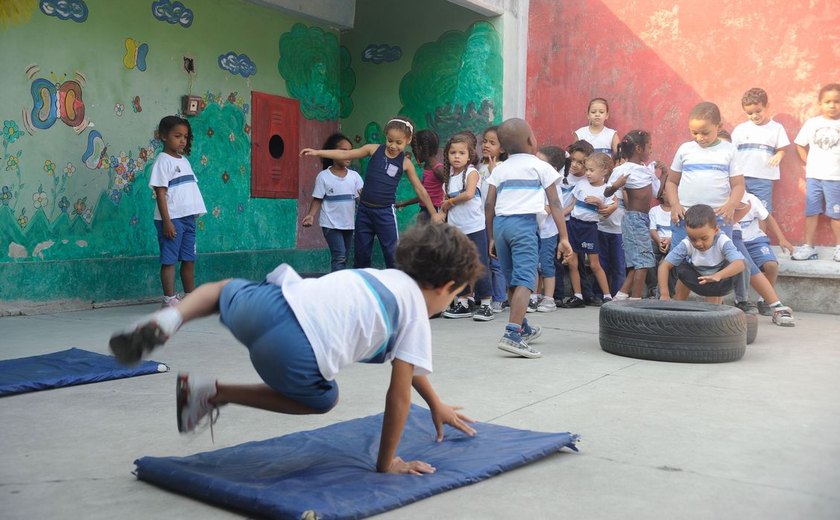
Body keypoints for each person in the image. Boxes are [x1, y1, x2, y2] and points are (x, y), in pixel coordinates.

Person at [109, 223, 481, 475]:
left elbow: (412, 369)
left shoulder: (383, 277)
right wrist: (388, 462)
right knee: (323, 398)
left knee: (221, 290)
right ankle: (213, 393)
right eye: (457, 295)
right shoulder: (416, 310)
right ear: (447, 286)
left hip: (273, 304)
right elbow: (398, 395)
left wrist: (435, 403)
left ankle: (167, 321)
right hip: (294, 352)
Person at [665, 102, 794, 326]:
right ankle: (676, 309)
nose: (700, 137)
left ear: (719, 125)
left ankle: (775, 306)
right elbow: (671, 181)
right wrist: (675, 205)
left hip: (718, 220)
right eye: (694, 132)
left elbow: (738, 185)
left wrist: (731, 205)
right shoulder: (685, 150)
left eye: (705, 132)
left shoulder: (728, 150)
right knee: (684, 263)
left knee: (740, 261)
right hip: (685, 219)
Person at [300, 117, 443, 268]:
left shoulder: (405, 163)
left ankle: (395, 287)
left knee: (392, 253)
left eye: (398, 142)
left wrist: (434, 213)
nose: (393, 145)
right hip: (364, 212)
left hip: (385, 213)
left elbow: (420, 190)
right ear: (386, 136)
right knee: (361, 254)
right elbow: (345, 155)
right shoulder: (373, 149)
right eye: (390, 140)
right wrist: (317, 152)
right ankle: (363, 286)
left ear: (408, 140)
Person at [485, 118, 573, 358]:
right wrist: (563, 237)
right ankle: (512, 334)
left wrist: (492, 237)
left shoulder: (500, 168)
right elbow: (555, 203)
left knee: (514, 279)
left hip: (501, 225)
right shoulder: (540, 167)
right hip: (523, 225)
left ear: (502, 147)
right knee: (526, 279)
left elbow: (489, 204)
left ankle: (521, 325)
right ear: (531, 141)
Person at [149, 115, 207, 307]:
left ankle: (190, 295)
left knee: (189, 259)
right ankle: (169, 299)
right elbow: (160, 192)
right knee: (169, 260)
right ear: (164, 136)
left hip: (188, 220)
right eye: (177, 136)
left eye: (185, 136)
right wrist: (167, 222)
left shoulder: (184, 161)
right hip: (172, 220)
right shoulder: (163, 161)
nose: (182, 140)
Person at [438, 133, 494, 321]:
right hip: (456, 229)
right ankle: (463, 302)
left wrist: (450, 202)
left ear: (469, 156)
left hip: (475, 227)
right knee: (460, 266)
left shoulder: (471, 172)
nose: (456, 156)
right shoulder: (448, 179)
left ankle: (486, 303)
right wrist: (441, 214)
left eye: (461, 153)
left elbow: (469, 194)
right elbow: (444, 206)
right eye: (453, 153)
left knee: (479, 264)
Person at [606, 130, 658, 299]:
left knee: (639, 261)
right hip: (633, 218)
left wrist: (663, 175)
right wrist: (616, 185)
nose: (651, 150)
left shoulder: (645, 169)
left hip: (643, 219)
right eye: (649, 147)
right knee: (643, 262)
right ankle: (635, 300)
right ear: (638, 148)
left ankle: (621, 296)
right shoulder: (623, 169)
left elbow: (658, 193)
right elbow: (606, 192)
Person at [658, 204, 745, 304]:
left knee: (743, 262)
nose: (698, 243)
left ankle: (742, 301)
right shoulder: (687, 243)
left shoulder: (723, 240)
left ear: (715, 230)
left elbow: (739, 264)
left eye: (704, 238)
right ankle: (667, 302)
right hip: (698, 281)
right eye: (693, 239)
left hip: (719, 282)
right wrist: (664, 294)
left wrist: (718, 275)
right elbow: (664, 266)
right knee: (672, 263)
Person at [792, 83, 840, 262]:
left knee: (837, 214)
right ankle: (808, 247)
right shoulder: (813, 123)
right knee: (811, 212)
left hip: (836, 178)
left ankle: (839, 247)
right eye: (828, 101)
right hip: (814, 178)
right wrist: (808, 162)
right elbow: (799, 144)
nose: (832, 105)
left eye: (837, 101)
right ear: (820, 104)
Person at [302, 133, 363, 272]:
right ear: (332, 153)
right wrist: (311, 215)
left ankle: (337, 284)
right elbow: (318, 198)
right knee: (340, 256)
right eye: (343, 151)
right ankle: (336, 289)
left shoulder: (354, 176)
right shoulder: (324, 176)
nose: (348, 155)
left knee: (344, 257)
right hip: (330, 224)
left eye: (351, 151)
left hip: (348, 225)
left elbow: (361, 198)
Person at [731, 87, 791, 213]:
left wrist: (779, 156)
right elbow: (731, 151)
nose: (754, 116)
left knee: (762, 212)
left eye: (758, 111)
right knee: (740, 209)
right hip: (741, 178)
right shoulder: (740, 129)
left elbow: (782, 149)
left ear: (767, 106)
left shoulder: (776, 128)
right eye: (749, 113)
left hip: (763, 178)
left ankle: (761, 233)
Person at [567, 153, 615, 304]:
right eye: (587, 169)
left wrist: (599, 202)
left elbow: (605, 213)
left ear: (604, 172)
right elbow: (572, 206)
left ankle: (607, 296)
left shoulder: (607, 190)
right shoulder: (581, 184)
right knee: (572, 262)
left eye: (591, 170)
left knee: (594, 264)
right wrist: (558, 217)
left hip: (590, 228)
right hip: (574, 225)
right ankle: (578, 296)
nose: (587, 173)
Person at [737, 192, 795, 315]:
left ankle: (764, 300)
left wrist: (782, 239)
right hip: (735, 241)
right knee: (743, 266)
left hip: (755, 241)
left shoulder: (751, 199)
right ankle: (741, 301)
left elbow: (767, 217)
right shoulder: (721, 200)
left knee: (771, 265)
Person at [557, 140, 594, 308]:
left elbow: (574, 204)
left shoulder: (587, 180)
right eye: (573, 160)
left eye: (581, 162)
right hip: (556, 223)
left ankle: (587, 295)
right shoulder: (560, 174)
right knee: (557, 259)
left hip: (572, 223)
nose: (575, 165)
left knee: (578, 260)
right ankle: (557, 296)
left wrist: (560, 214)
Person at [478, 126, 509, 312]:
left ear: (503, 149)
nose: (486, 145)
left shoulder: (502, 168)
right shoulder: (480, 168)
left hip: (496, 219)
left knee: (496, 261)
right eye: (484, 141)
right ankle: (483, 296)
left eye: (492, 142)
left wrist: (493, 170)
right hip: (480, 219)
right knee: (484, 261)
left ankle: (500, 298)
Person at [532, 145, 565, 312]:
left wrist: (535, 210)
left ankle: (549, 299)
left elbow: (553, 207)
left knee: (546, 265)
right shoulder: (534, 182)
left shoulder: (554, 184)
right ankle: (534, 296)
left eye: (541, 162)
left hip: (547, 233)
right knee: (533, 264)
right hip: (534, 231)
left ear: (553, 168)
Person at [394, 129, 445, 223]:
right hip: (425, 210)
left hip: (435, 212)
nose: (413, 152)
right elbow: (424, 195)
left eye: (414, 149)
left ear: (420, 149)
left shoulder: (438, 170)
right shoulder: (427, 168)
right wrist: (404, 203)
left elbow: (449, 190)